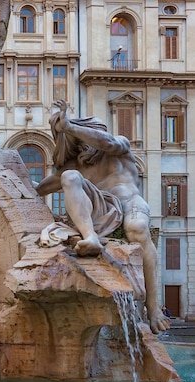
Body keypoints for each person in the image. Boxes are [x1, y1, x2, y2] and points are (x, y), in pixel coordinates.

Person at [36, 100, 169, 334]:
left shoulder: (118, 145)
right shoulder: (76, 166)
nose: (85, 146)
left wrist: (69, 127)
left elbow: (106, 142)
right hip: (104, 209)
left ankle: (153, 307)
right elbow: (38, 189)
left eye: (87, 137)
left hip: (130, 203)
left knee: (137, 227)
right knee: (69, 177)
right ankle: (91, 238)